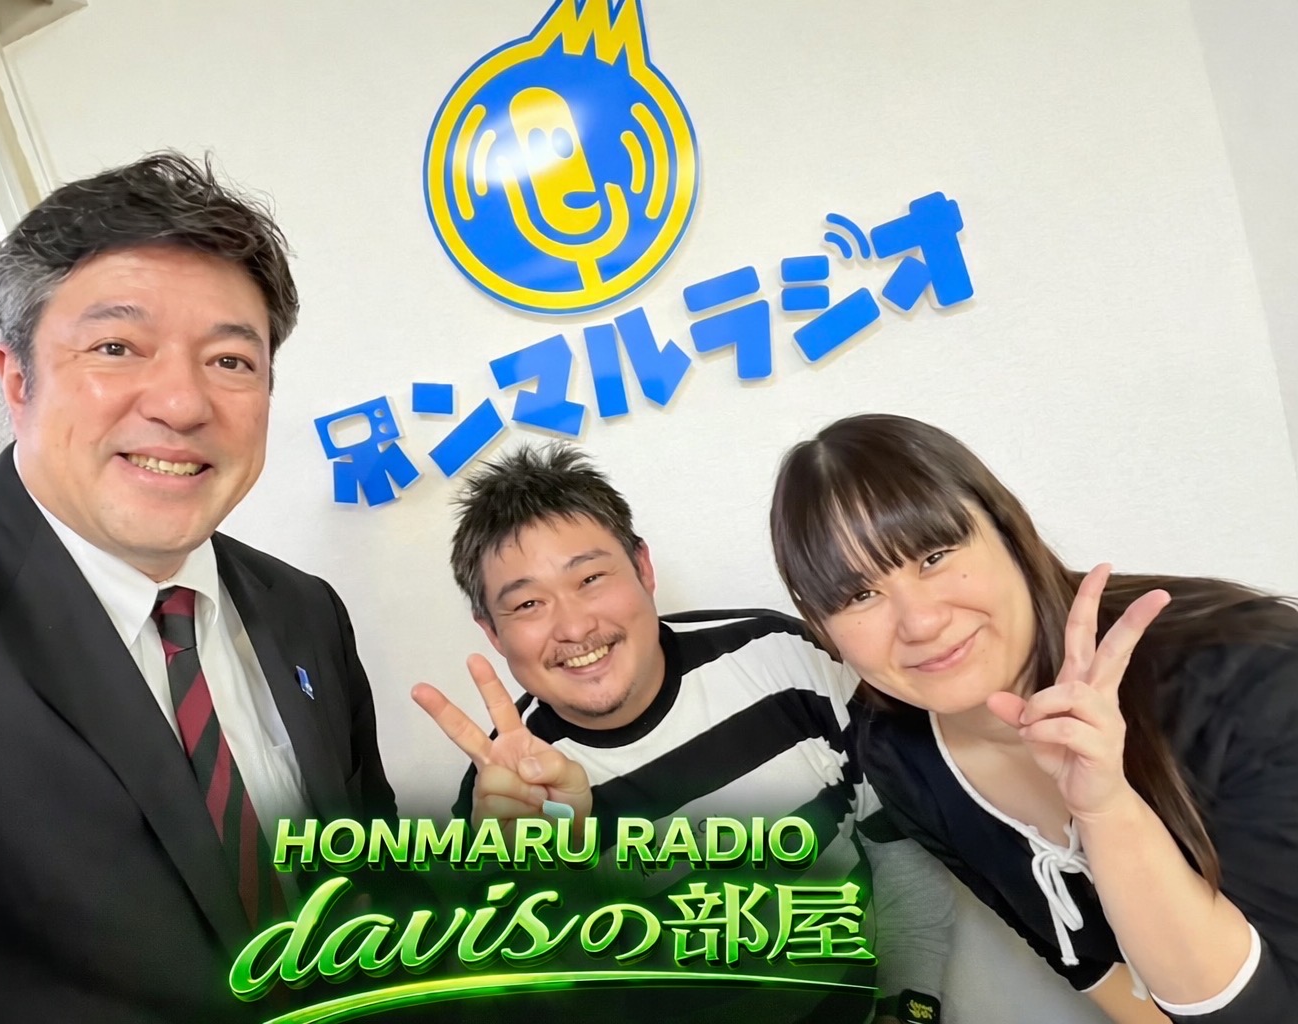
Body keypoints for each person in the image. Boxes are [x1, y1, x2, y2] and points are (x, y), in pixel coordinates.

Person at [0, 152, 395, 1024]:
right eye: (115, 347)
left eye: (230, 361)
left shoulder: (304, 610)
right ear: (17, 378)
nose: (182, 403)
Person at [769, 412, 1298, 1024]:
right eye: (860, 595)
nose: (920, 622)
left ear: (1008, 531)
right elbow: (1087, 965)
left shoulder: (1246, 669)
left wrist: (1107, 811)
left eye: (934, 556)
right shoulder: (897, 753)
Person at [413, 442, 954, 1024]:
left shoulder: (780, 655)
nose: (573, 626)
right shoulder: (502, 796)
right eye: (526, 605)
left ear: (643, 568)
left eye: (590, 577)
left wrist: (907, 1008)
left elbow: (897, 840)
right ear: (492, 633)